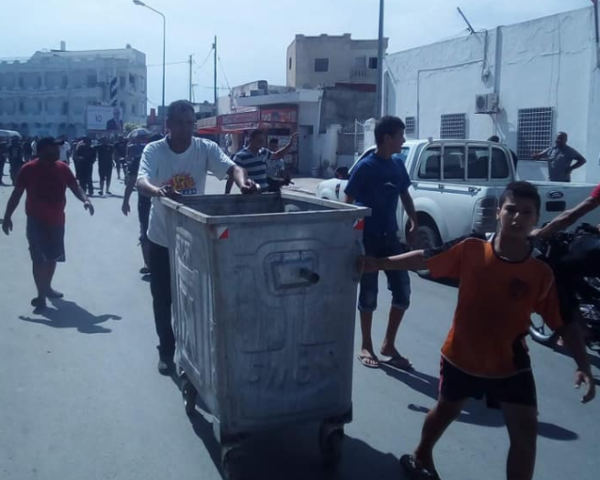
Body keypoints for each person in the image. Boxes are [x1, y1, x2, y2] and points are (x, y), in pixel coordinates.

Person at [360, 181, 595, 480]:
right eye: (511, 209)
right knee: (446, 411)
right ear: (498, 212)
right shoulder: (471, 247)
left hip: (511, 363)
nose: (517, 218)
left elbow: (565, 319)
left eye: (527, 212)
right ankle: (422, 454)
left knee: (525, 432)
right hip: (462, 356)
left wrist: (583, 364)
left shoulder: (542, 270)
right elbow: (425, 257)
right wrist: (379, 264)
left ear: (536, 219)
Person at [136, 100, 256, 375]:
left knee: (195, 298)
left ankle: (195, 350)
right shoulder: (154, 150)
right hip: (162, 238)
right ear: (168, 125)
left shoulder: (205, 148)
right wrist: (158, 191)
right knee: (163, 298)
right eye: (180, 123)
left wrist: (243, 182)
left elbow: (233, 168)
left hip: (193, 238)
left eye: (190, 123)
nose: (186, 128)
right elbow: (141, 181)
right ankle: (166, 350)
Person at [345, 116, 419, 370]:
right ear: (387, 138)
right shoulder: (365, 167)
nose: (404, 140)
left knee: (402, 293)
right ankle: (366, 344)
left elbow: (405, 194)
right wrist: (348, 236)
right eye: (401, 135)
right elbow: (347, 201)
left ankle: (389, 344)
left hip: (391, 239)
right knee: (368, 295)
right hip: (367, 242)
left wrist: (413, 219)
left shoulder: (398, 164)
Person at [2, 137, 94, 311]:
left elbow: (75, 186)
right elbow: (17, 193)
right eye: (54, 147)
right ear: (43, 149)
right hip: (36, 220)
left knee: (53, 257)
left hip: (57, 220)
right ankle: (41, 296)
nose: (58, 151)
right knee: (38, 258)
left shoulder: (62, 167)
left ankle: (47, 287)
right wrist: (7, 216)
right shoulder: (28, 169)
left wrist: (86, 200)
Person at [122, 134, 161, 276]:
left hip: (166, 202)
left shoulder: (169, 158)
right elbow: (132, 181)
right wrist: (125, 201)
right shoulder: (140, 159)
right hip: (145, 201)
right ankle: (148, 264)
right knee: (145, 232)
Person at [224, 129, 298, 194]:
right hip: (250, 194)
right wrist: (227, 194)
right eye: (259, 140)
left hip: (265, 192)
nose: (261, 143)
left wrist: (290, 144)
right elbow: (232, 177)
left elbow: (278, 155)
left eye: (262, 140)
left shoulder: (264, 152)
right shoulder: (240, 156)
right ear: (251, 140)